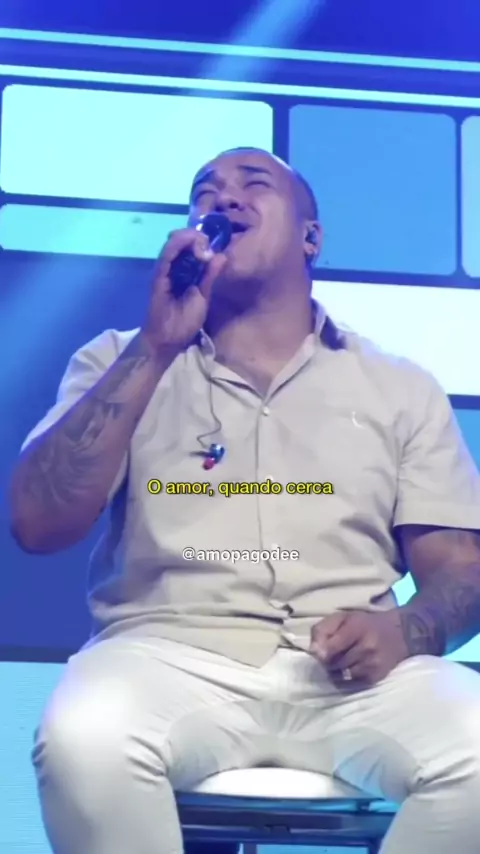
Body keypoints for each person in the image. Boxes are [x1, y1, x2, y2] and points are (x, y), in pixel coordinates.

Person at [9, 145, 480, 854]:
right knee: (85, 738)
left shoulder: (398, 386)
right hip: (165, 658)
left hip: (354, 677)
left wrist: (407, 629)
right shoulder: (118, 358)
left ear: (311, 238)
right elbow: (37, 523)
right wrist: (156, 346)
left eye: (253, 184)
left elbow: (460, 571)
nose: (225, 198)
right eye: (206, 191)